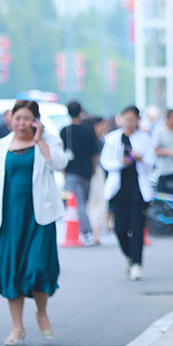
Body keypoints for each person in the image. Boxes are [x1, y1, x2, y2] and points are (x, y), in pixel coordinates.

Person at [0, 99, 68, 346]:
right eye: (17, 118)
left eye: (27, 118)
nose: (21, 123)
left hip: (40, 218)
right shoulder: (1, 146)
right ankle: (17, 327)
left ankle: (42, 313)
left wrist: (40, 140)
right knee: (12, 272)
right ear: (10, 119)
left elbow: (59, 163)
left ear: (36, 121)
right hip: (11, 218)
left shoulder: (48, 140)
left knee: (38, 268)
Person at [101, 106, 154, 280]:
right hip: (119, 191)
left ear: (138, 120)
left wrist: (140, 159)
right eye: (126, 119)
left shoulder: (144, 139)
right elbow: (106, 163)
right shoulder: (112, 139)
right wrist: (121, 162)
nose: (130, 123)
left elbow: (151, 165)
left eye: (133, 120)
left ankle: (137, 264)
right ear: (121, 119)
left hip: (138, 192)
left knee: (137, 229)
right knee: (120, 229)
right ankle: (129, 255)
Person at [60, 100, 101, 245]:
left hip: (71, 171)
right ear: (81, 112)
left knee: (79, 203)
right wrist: (94, 167)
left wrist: (62, 168)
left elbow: (60, 151)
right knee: (82, 202)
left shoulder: (65, 131)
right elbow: (94, 154)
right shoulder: (88, 132)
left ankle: (87, 232)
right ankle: (87, 232)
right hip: (86, 172)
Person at [87, 116, 111, 239]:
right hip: (97, 172)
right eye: (103, 125)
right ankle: (95, 232)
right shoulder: (97, 141)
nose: (105, 128)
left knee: (93, 203)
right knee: (99, 202)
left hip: (89, 173)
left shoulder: (94, 139)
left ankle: (94, 231)